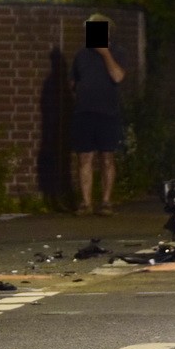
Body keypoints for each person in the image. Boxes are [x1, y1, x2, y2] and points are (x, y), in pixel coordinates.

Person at [70, 13, 126, 216]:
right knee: (84, 158)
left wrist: (105, 54)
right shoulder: (81, 55)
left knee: (107, 158)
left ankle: (106, 201)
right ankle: (86, 202)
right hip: (84, 112)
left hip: (107, 112)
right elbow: (74, 82)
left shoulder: (116, 52)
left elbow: (118, 77)